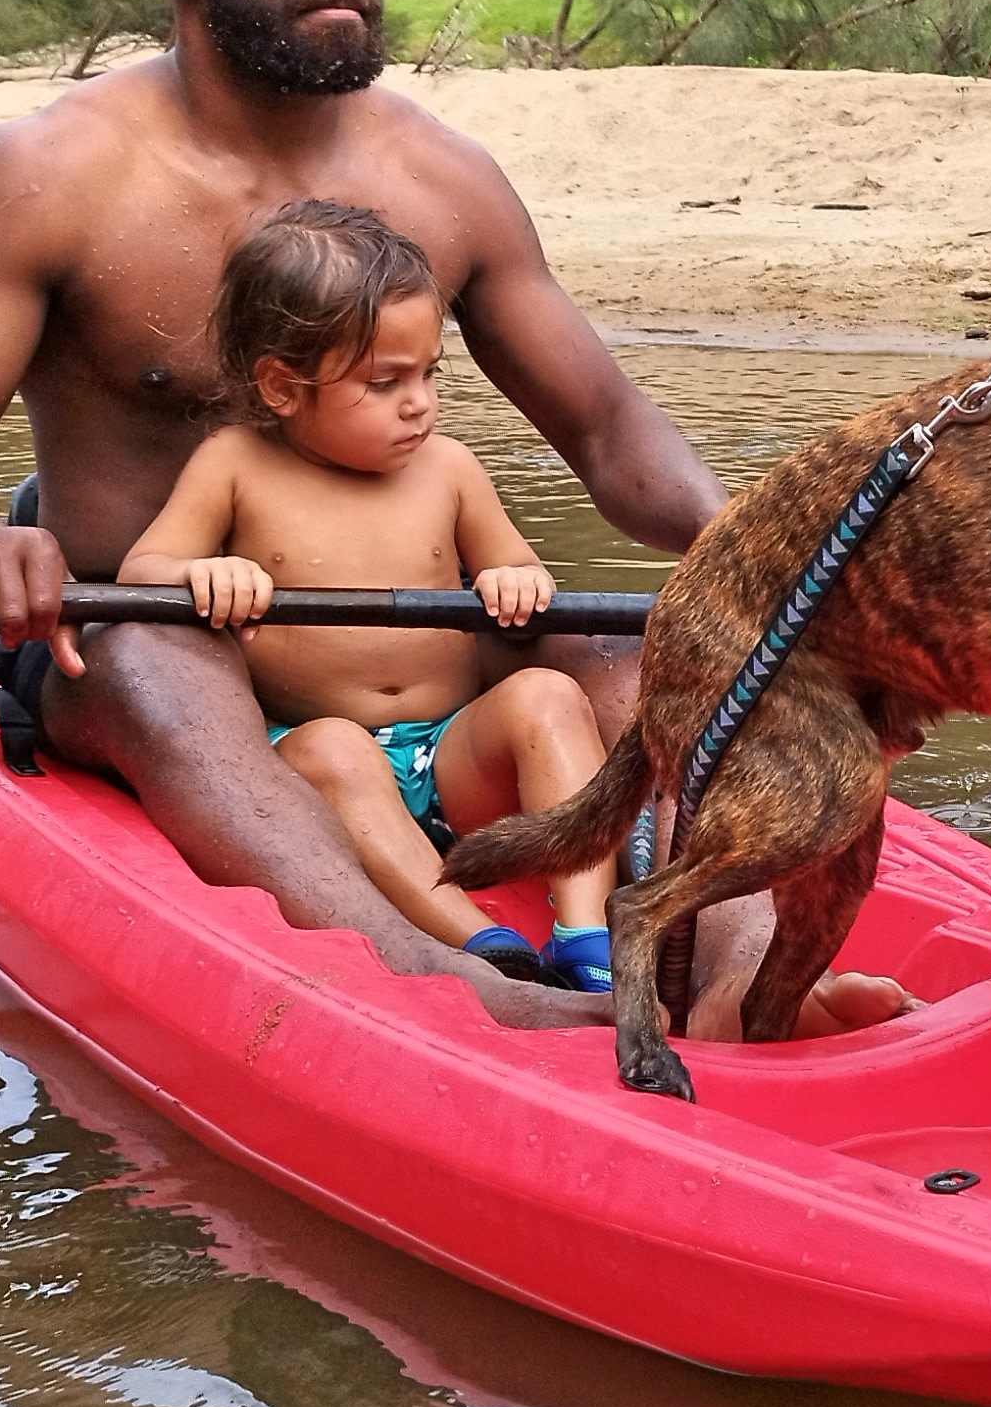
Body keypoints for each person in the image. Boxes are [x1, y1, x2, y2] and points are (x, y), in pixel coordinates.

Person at [0, 0, 902, 1033]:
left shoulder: (440, 177)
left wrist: (771, 556)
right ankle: (453, 990)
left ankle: (737, 978)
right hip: (148, 641)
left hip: (411, 647)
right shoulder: (47, 176)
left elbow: (611, 434)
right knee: (157, 657)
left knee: (641, 654)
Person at [120, 196, 621, 991]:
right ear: (284, 388)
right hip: (323, 764)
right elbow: (143, 572)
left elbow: (521, 571)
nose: (419, 401)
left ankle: (584, 931)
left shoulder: (450, 468)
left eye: (428, 374)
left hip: (453, 753)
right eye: (385, 382)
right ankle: (484, 942)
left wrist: (514, 578)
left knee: (549, 696)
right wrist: (202, 573)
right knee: (335, 748)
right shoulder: (235, 464)